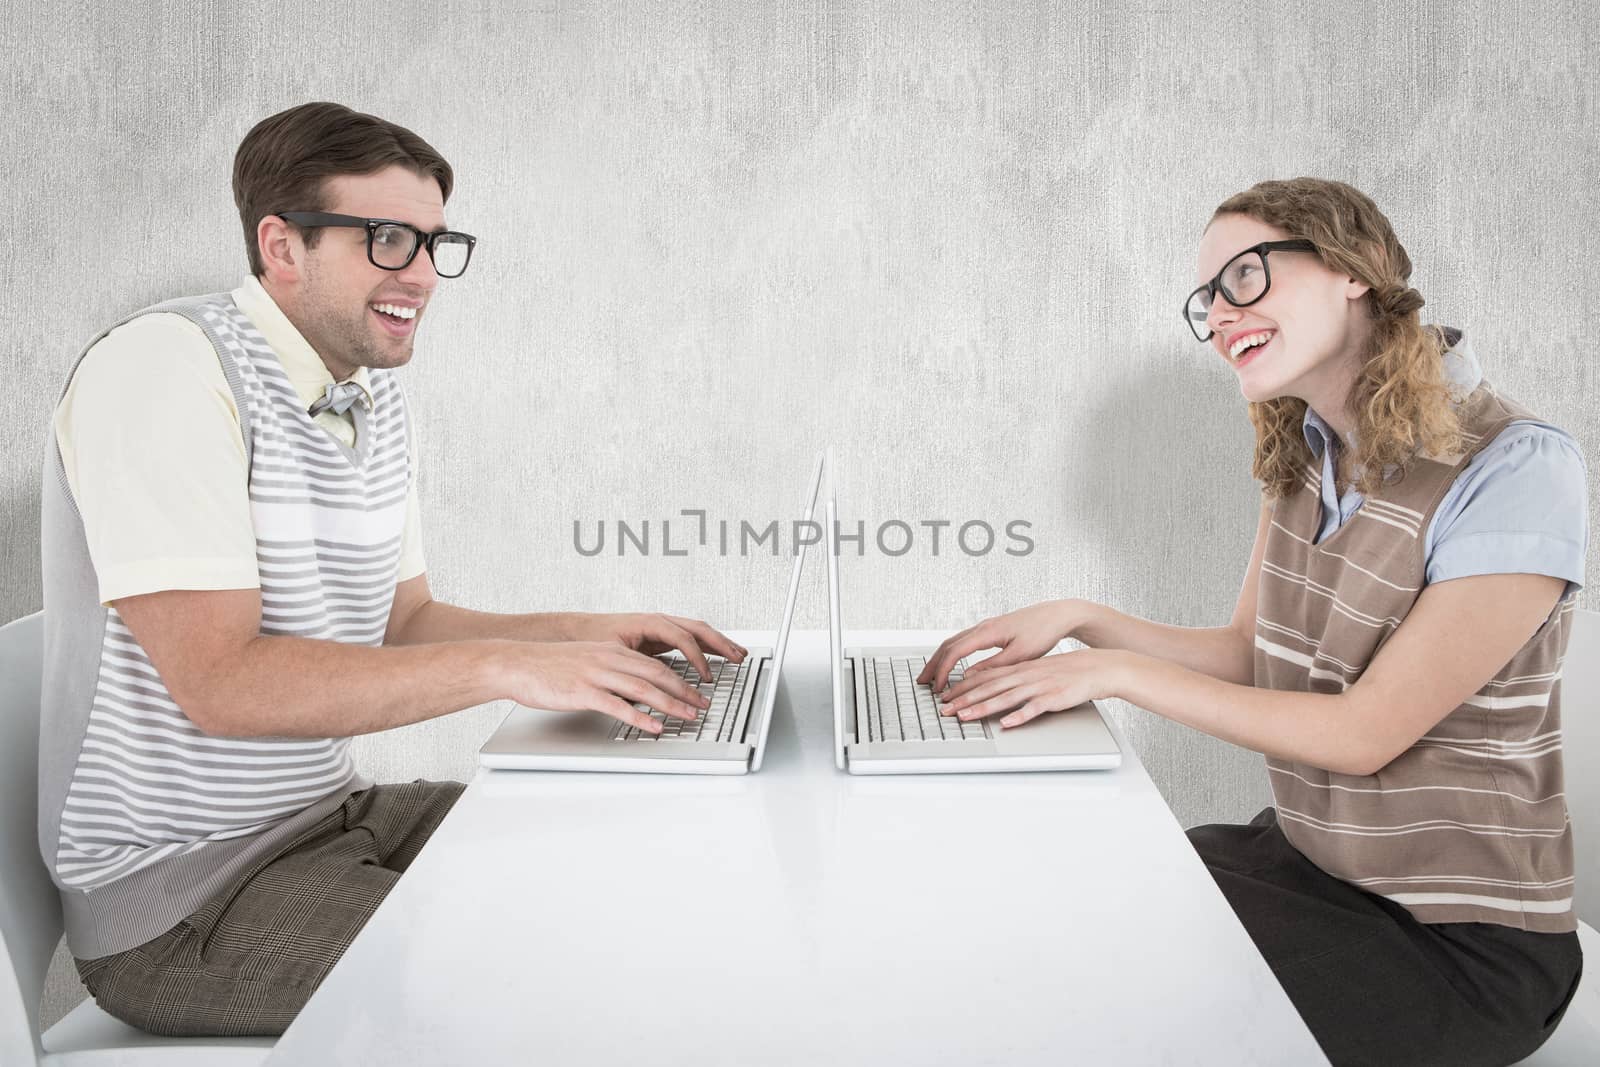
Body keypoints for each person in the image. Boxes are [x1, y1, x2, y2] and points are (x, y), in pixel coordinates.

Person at [39, 101, 744, 1038]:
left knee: (631, 862)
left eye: (432, 243)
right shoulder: (166, 367)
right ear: (281, 246)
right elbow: (219, 684)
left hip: (326, 820)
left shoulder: (367, 399)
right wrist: (508, 669)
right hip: (187, 904)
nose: (420, 273)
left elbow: (403, 624)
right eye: (386, 239)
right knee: (571, 967)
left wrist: (585, 634)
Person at [918, 178, 1586, 1066]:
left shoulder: (1515, 465)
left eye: (1245, 277)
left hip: (1457, 944)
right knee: (1059, 900)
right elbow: (1248, 654)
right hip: (1312, 864)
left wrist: (1112, 675)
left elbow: (1364, 733)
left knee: (1102, 999)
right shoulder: (1306, 450)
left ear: (1352, 268)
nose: (1223, 315)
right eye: (1209, 300)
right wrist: (1083, 621)